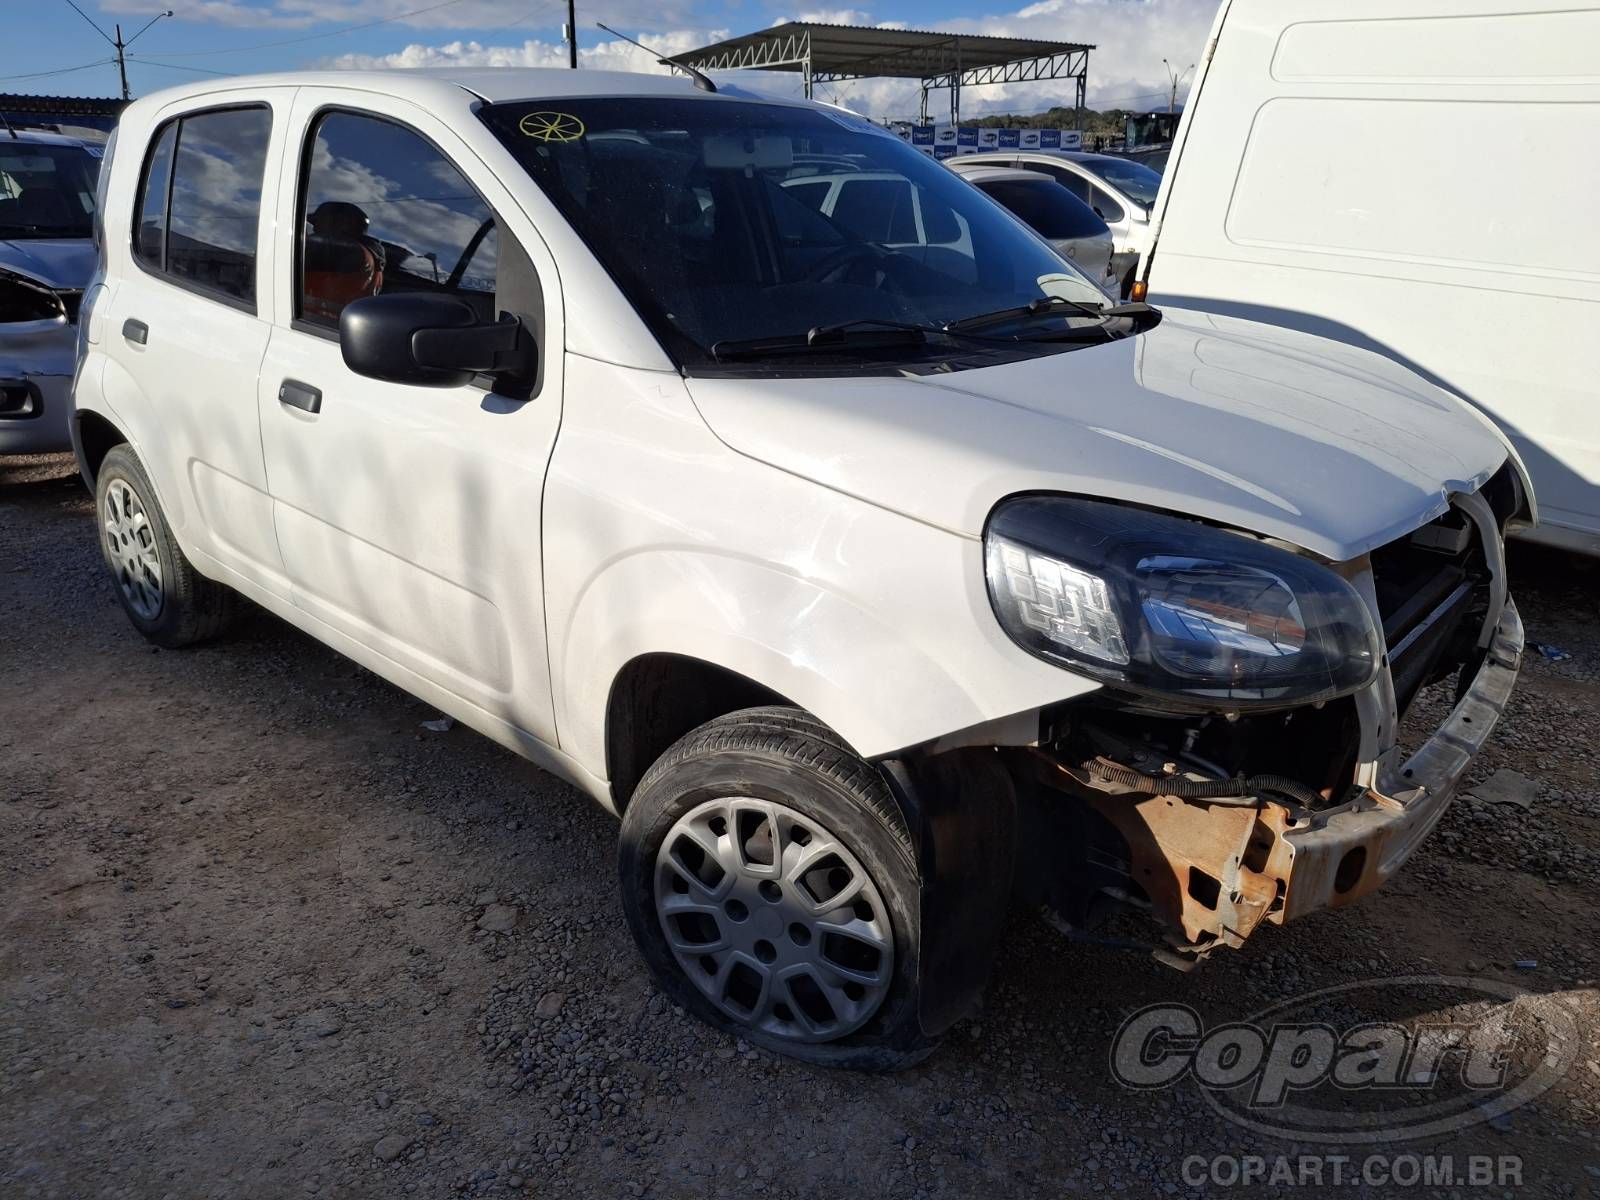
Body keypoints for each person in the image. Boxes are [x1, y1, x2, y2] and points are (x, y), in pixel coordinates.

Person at [302, 200, 385, 323]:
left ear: (342, 223)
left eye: (320, 222)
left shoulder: (346, 248)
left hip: (316, 320)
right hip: (333, 324)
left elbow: (294, 255)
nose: (315, 228)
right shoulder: (371, 258)